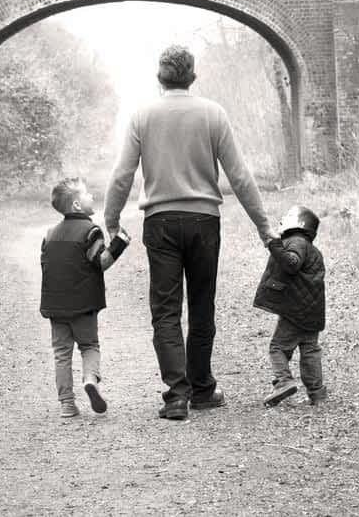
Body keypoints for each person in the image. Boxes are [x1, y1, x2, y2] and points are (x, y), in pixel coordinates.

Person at [104, 44, 274, 420]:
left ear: (159, 77)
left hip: (160, 222)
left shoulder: (142, 116)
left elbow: (122, 175)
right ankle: (202, 389)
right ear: (192, 76)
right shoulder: (213, 114)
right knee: (201, 305)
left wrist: (111, 221)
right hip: (203, 222)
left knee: (165, 311)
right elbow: (240, 176)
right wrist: (265, 228)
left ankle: (176, 395)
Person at [40, 177, 131, 418]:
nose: (92, 197)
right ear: (77, 206)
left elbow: (46, 266)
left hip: (56, 308)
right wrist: (120, 243)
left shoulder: (49, 234)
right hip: (83, 307)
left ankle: (67, 404)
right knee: (89, 346)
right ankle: (90, 379)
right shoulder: (90, 231)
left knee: (61, 354)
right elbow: (101, 262)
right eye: (87, 194)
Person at [254, 205, 327, 407]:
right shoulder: (312, 249)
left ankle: (284, 382)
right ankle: (317, 393)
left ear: (298, 223)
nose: (281, 221)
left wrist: (274, 245)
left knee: (278, 347)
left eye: (286, 216)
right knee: (310, 349)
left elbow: (292, 263)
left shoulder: (296, 242)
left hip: (296, 312)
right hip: (313, 312)